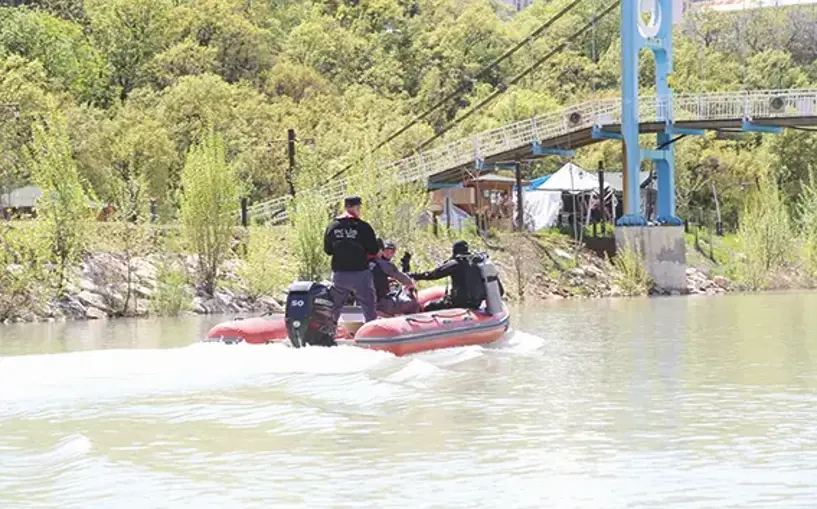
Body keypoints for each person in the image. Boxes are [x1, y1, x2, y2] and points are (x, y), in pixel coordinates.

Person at [323, 196, 380, 322]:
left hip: (339, 274)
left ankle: (328, 333)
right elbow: (374, 250)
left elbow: (328, 251)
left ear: (345, 207)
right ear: (358, 207)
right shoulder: (363, 227)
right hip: (360, 273)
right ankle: (371, 333)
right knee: (368, 306)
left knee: (335, 307)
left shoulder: (332, 226)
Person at [409, 240, 486, 312]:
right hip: (475, 303)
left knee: (429, 306)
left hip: (459, 303)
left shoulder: (456, 263)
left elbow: (434, 274)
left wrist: (415, 276)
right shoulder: (476, 262)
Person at [371, 239, 420, 316]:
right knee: (413, 305)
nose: (388, 253)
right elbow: (405, 280)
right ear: (380, 251)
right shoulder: (384, 264)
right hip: (380, 303)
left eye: (391, 251)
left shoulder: (362, 263)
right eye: (385, 250)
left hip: (365, 302)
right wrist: (411, 283)